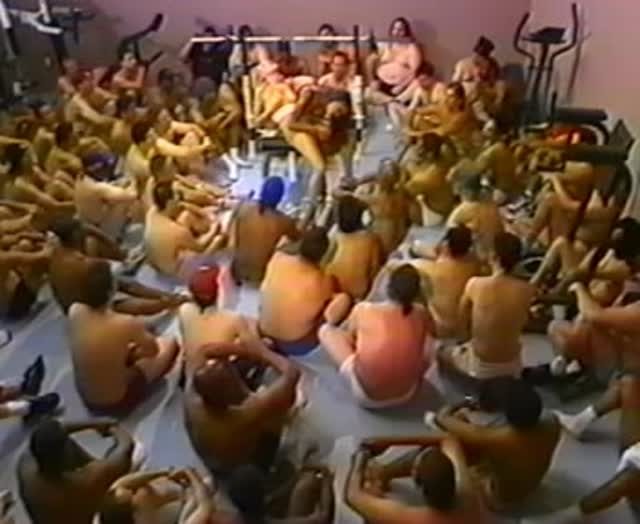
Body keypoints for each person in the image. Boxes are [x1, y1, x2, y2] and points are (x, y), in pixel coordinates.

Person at [423, 379, 560, 513]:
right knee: (470, 428)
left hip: (501, 499)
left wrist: (462, 403)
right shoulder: (553, 421)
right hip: (532, 485)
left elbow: (443, 417)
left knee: (450, 440)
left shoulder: (499, 438)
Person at [68, 260, 180, 415]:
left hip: (87, 398)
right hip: (116, 401)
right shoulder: (124, 323)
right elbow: (152, 351)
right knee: (169, 344)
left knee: (126, 344)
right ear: (111, 290)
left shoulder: (75, 310)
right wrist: (134, 354)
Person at [319, 264, 435, 408]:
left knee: (325, 331)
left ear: (388, 287)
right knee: (427, 342)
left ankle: (368, 373)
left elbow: (350, 337)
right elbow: (432, 334)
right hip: (407, 393)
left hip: (368, 397)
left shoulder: (364, 310)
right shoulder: (421, 313)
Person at [184, 340, 301, 475]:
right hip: (240, 463)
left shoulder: (193, 391)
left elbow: (204, 350)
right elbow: (292, 374)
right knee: (283, 399)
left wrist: (249, 351)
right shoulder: (241, 415)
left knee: (249, 360)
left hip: (210, 447)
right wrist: (263, 352)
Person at [439, 233, 535, 381]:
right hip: (512, 366)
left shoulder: (474, 284)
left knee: (441, 352)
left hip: (480, 366)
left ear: (493, 257)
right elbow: (524, 319)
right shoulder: (527, 290)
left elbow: (461, 320)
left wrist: (463, 342)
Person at [48, 218, 182, 315]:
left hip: (75, 309)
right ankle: (168, 302)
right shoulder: (84, 264)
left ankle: (166, 297)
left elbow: (89, 230)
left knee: (124, 283)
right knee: (128, 299)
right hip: (90, 308)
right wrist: (164, 302)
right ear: (76, 235)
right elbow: (123, 287)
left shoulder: (58, 255)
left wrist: (116, 250)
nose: (85, 232)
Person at [346, 436, 492, 524]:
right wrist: (389, 441)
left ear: (418, 485)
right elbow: (448, 439)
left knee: (370, 500)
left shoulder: (416, 519)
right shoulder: (466, 490)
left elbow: (352, 496)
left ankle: (381, 477)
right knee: (427, 456)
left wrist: (360, 457)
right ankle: (383, 473)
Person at [18, 418, 138, 524]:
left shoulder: (26, 468)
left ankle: (95, 464)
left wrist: (94, 423)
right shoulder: (85, 481)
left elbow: (49, 431)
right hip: (86, 514)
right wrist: (114, 428)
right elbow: (126, 447)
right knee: (137, 463)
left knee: (62, 442)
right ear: (64, 457)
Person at [259, 227, 351, 356]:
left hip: (264, 329)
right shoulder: (322, 281)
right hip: (295, 344)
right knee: (343, 298)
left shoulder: (278, 258)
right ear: (324, 255)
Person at [179, 265, 264, 374]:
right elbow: (255, 350)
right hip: (217, 375)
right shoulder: (233, 319)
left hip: (191, 376)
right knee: (262, 339)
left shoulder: (184, 310)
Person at [405, 226, 480, 338]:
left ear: (446, 245)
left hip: (440, 327)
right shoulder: (475, 263)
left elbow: (399, 265)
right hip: (466, 326)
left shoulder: (430, 269)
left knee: (410, 281)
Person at [144, 183, 226, 277]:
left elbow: (183, 205)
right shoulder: (175, 230)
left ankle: (205, 228)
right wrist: (214, 228)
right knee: (218, 239)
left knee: (186, 216)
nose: (179, 202)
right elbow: (199, 247)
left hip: (162, 258)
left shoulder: (152, 212)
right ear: (170, 203)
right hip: (175, 269)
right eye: (177, 200)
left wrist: (203, 212)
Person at [229, 176, 300, 284]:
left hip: (237, 271)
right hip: (260, 277)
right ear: (280, 198)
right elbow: (298, 240)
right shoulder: (284, 221)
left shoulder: (243, 206)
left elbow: (232, 235)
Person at [98, 467, 227, 524]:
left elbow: (120, 484)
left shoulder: (109, 511)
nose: (136, 491)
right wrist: (191, 474)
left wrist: (165, 472)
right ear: (137, 517)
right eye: (133, 494)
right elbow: (205, 507)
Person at [227, 463, 335, 524]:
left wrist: (299, 472)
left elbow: (276, 495)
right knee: (307, 485)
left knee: (306, 482)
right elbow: (322, 517)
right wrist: (326, 480)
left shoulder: (244, 512)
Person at [325, 195, 382, 300]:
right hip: (358, 292)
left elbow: (324, 260)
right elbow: (374, 270)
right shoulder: (371, 238)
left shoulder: (336, 235)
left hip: (333, 287)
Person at [74, 153, 137, 236]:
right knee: (124, 202)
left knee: (118, 192)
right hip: (102, 226)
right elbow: (131, 195)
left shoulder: (81, 178)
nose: (108, 170)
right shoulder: (97, 187)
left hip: (88, 219)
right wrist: (134, 181)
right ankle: (118, 234)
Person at [367, 17, 424, 105]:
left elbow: (414, 72)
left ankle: (397, 100)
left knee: (418, 84)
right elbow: (374, 63)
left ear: (406, 32)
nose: (397, 32)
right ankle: (393, 102)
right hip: (383, 83)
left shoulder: (411, 47)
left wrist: (401, 86)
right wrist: (372, 80)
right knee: (367, 93)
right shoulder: (386, 45)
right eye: (395, 29)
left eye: (400, 30)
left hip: (401, 86)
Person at [447, 173, 504, 260]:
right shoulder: (489, 198)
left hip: (485, 255)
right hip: (498, 246)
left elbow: (450, 230)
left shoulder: (465, 208)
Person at [0, 230, 52, 321]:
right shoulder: (3, 258)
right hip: (11, 308)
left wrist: (39, 237)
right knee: (36, 266)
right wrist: (51, 243)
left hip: (9, 292)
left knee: (24, 245)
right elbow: (43, 256)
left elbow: (17, 237)